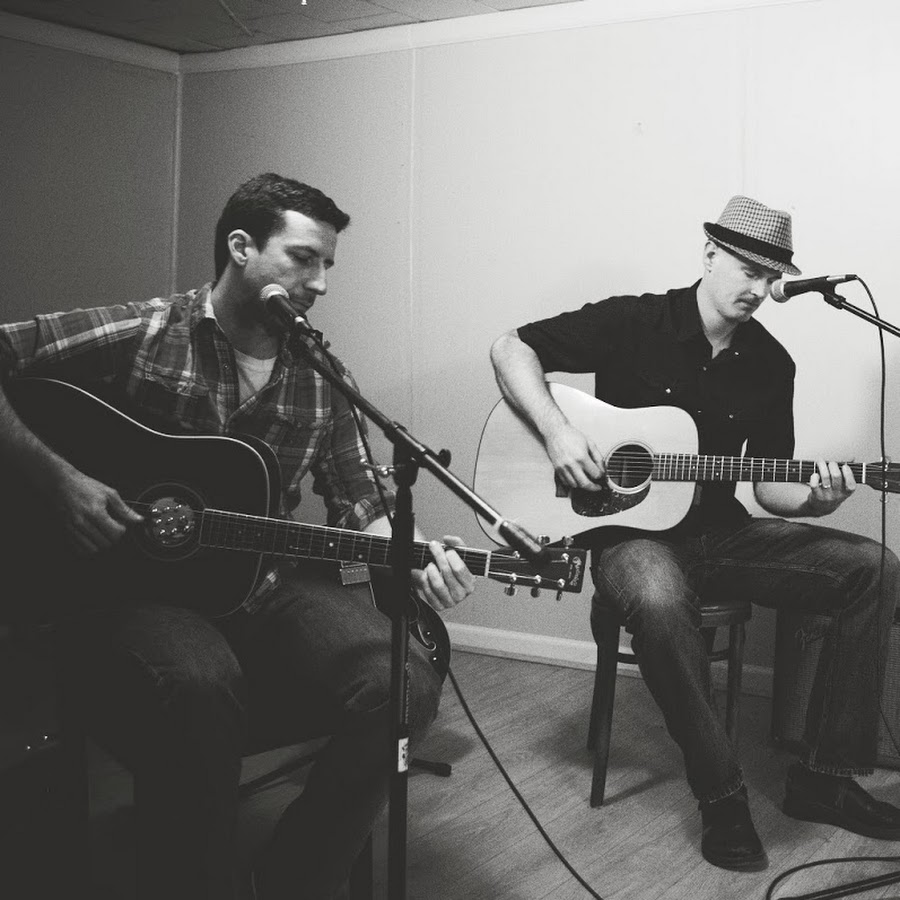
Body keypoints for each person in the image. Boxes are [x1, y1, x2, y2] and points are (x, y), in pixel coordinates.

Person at [0, 172, 476, 899]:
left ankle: (292, 878)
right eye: (303, 258)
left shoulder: (321, 376)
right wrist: (59, 481)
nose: (320, 283)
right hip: (135, 589)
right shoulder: (146, 331)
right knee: (201, 681)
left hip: (262, 587)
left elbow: (360, 497)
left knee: (404, 683)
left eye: (327, 265)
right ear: (242, 246)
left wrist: (409, 557)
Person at [490, 195, 900, 871]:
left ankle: (825, 779)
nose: (760, 290)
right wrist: (558, 431)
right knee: (657, 595)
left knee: (875, 567)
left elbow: (770, 486)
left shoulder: (772, 363)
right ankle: (722, 796)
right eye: (748, 270)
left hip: (723, 536)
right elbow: (511, 347)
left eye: (772, 278)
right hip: (629, 539)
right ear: (710, 254)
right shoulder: (633, 321)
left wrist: (819, 500)